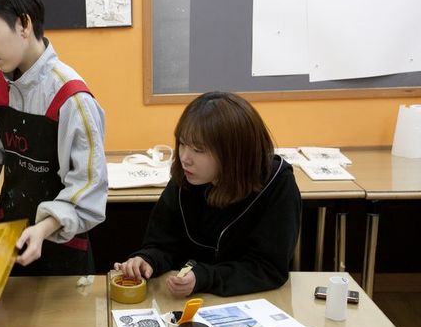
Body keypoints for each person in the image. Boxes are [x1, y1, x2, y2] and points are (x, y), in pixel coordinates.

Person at [0, 0, 108, 275]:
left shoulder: (71, 98)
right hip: (13, 235)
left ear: (24, 24)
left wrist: (44, 228)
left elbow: (87, 186)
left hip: (61, 245)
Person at [114, 91, 301, 297]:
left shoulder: (276, 183)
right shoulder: (187, 177)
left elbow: (268, 269)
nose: (185, 158)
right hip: (186, 300)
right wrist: (147, 260)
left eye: (198, 149)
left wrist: (204, 277)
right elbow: (163, 244)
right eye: (182, 143)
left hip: (249, 302)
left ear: (233, 152)